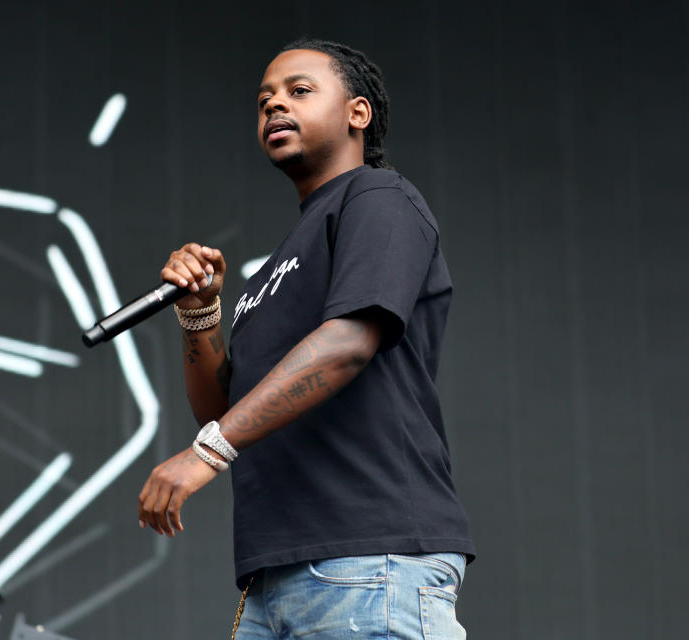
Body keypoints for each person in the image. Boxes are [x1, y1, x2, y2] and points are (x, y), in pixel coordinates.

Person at [137, 38, 475, 639]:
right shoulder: (273, 271)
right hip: (276, 579)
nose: (273, 106)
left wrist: (204, 455)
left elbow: (347, 342)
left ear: (357, 113)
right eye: (264, 99)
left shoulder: (378, 197)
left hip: (369, 562)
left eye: (298, 91)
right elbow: (224, 412)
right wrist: (201, 314)